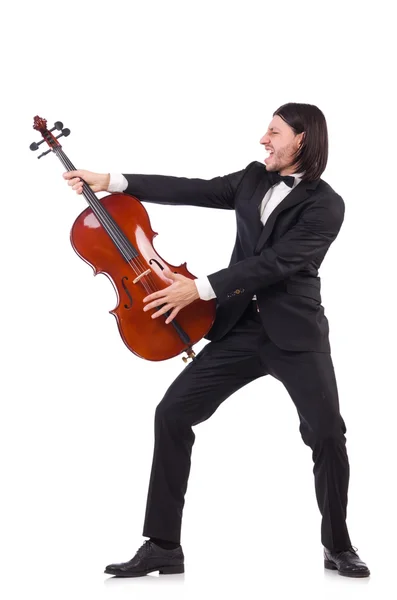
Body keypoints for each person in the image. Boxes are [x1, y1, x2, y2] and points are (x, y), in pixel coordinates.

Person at [63, 103, 370, 578]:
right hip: (241, 328)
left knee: (328, 434)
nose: (263, 139)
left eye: (273, 132)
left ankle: (338, 544)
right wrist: (112, 180)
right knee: (172, 414)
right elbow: (192, 189)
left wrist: (200, 287)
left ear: (301, 139)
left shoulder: (326, 204)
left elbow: (278, 264)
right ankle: (163, 544)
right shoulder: (251, 179)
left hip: (296, 334)